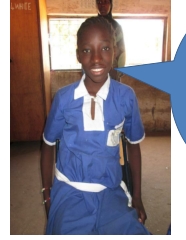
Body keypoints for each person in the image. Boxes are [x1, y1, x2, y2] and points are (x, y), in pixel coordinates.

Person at [40, 16, 150, 235]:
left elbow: (133, 146)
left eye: (105, 48)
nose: (97, 59)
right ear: (78, 54)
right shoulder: (63, 99)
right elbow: (48, 144)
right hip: (70, 190)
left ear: (115, 51)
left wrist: (136, 196)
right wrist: (47, 193)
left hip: (110, 191)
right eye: (87, 50)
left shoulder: (126, 97)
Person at [96, 0, 125, 81]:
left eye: (105, 2)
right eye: (99, 2)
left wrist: (118, 72)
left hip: (112, 71)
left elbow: (121, 51)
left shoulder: (116, 27)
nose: (102, 5)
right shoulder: (92, 25)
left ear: (110, 4)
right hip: (95, 70)